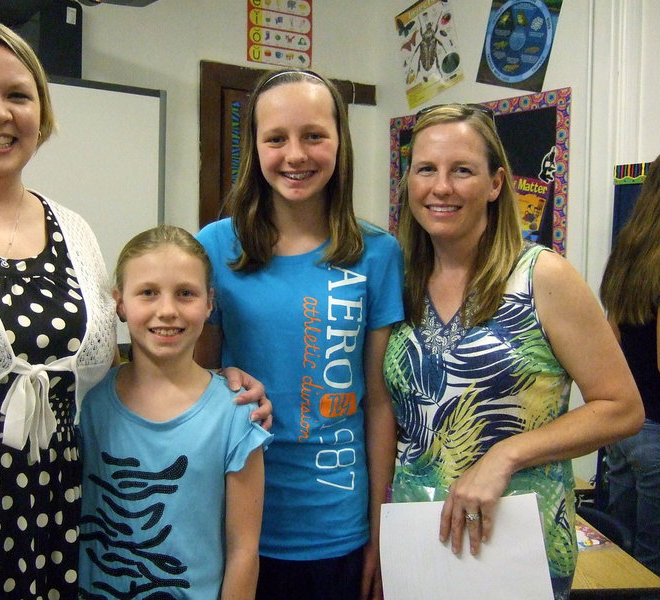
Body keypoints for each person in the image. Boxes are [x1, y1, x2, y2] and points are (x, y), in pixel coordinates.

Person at [0, 17, 269, 600]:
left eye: (18, 96)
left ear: (42, 113)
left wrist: (217, 382)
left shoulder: (72, 231)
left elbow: (121, 372)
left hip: (49, 535)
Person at [383, 102, 644, 599]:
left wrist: (505, 454)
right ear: (409, 182)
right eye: (426, 170)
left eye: (463, 170)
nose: (442, 187)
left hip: (519, 545)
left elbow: (622, 408)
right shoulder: (399, 280)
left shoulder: (541, 276)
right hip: (419, 539)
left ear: (496, 183)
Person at [196, 68, 404, 600]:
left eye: (314, 135)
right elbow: (191, 385)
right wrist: (222, 378)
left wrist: (382, 533)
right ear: (255, 148)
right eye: (276, 138)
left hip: (339, 524)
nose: (296, 154)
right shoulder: (215, 247)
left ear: (340, 142)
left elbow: (379, 404)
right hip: (240, 519)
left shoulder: (378, 254)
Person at [77, 225, 272, 599]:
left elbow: (244, 552)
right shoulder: (87, 404)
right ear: (119, 302)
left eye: (185, 294)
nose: (167, 311)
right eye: (148, 293)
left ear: (209, 302)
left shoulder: (236, 415)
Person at [600, 153, 660, 575]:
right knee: (651, 566)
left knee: (618, 562)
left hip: (625, 429)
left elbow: (612, 341)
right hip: (657, 431)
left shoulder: (629, 247)